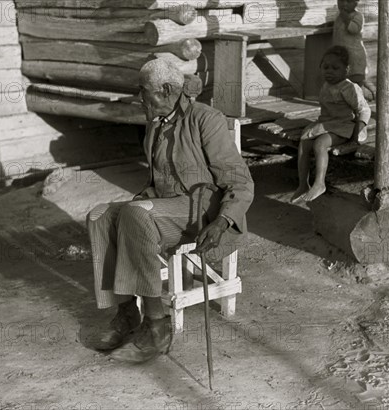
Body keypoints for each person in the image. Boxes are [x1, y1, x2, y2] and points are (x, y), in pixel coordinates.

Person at [86, 58, 254, 364]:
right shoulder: (155, 124)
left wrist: (221, 222)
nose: (140, 98)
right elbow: (156, 180)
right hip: (164, 206)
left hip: (198, 210)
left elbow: (240, 181)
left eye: (143, 91)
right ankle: (125, 314)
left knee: (135, 214)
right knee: (100, 216)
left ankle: (157, 328)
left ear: (166, 90)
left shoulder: (206, 119)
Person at [291, 46, 371, 203]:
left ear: (346, 69)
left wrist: (356, 134)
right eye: (326, 67)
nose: (329, 71)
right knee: (305, 142)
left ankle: (319, 183)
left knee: (320, 144)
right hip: (329, 124)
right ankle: (303, 185)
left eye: (335, 68)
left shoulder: (349, 88)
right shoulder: (326, 85)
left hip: (346, 127)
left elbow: (365, 110)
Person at [333, 0, 376, 100]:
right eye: (341, 1)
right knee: (350, 79)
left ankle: (364, 100)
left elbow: (354, 29)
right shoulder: (339, 16)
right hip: (343, 55)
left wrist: (345, 18)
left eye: (349, 1)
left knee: (357, 80)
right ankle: (371, 92)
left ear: (356, 3)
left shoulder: (357, 16)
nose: (344, 4)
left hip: (354, 55)